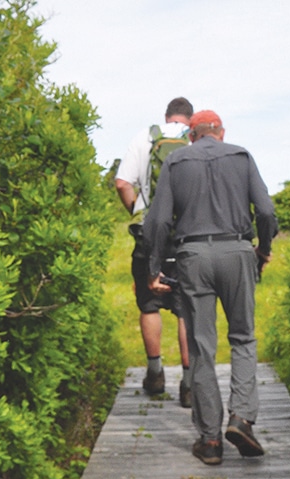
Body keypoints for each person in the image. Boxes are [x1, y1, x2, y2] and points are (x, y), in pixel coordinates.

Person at [143, 110, 278, 465]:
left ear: (191, 135)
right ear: (220, 132)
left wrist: (155, 267)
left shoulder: (175, 161)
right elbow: (265, 211)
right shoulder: (241, 155)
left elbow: (157, 220)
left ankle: (210, 441)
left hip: (193, 256)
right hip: (237, 251)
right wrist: (262, 249)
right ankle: (242, 418)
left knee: (202, 347)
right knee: (243, 338)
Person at [115, 97, 193, 407]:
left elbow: (122, 183)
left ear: (166, 116)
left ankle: (156, 374)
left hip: (150, 231)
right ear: (189, 118)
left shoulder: (145, 136)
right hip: (187, 236)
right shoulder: (195, 139)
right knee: (186, 309)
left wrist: (138, 211)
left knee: (149, 305)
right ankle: (188, 385)